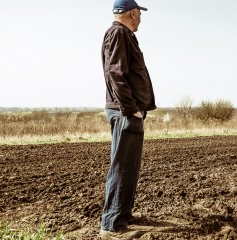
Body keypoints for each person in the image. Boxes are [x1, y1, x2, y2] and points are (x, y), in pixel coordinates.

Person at [99, 0, 156, 239]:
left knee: (129, 167)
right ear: (132, 12)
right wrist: (130, 108)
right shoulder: (118, 33)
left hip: (129, 111)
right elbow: (115, 73)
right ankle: (111, 226)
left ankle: (123, 215)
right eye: (139, 14)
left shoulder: (124, 35)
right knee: (122, 166)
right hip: (125, 112)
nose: (141, 19)